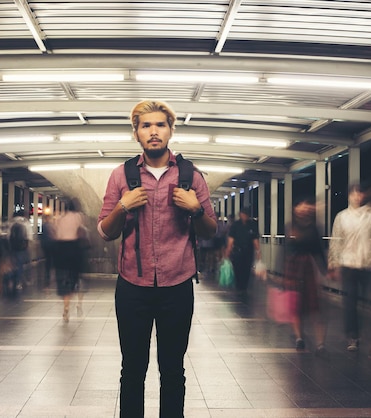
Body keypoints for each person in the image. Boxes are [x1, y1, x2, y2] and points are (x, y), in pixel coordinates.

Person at [98, 99, 217, 417]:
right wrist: (123, 206)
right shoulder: (121, 175)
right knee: (132, 370)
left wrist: (197, 209)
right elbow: (105, 231)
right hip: (132, 286)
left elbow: (210, 231)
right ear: (136, 132)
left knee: (173, 371)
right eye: (146, 125)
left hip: (177, 285)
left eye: (160, 125)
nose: (154, 131)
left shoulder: (191, 176)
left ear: (170, 130)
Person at [328, 184, 371, 361]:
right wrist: (333, 263)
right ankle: (353, 337)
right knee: (350, 303)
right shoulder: (342, 217)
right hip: (348, 266)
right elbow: (336, 241)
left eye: (359, 194)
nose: (357, 197)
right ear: (349, 196)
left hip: (367, 266)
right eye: (353, 194)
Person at [283, 199, 328, 354]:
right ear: (295, 208)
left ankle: (320, 343)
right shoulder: (291, 227)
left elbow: (318, 251)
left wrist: (325, 270)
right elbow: (285, 250)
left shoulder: (313, 228)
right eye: (300, 205)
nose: (303, 208)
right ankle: (299, 338)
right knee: (295, 306)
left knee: (314, 307)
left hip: (307, 267)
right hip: (293, 268)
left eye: (306, 205)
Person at [53, 199, 85, 322]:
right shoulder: (78, 217)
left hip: (61, 250)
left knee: (63, 279)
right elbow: (81, 232)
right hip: (74, 249)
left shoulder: (60, 218)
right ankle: (78, 303)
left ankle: (66, 308)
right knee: (76, 279)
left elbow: (57, 235)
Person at [226, 207, 261, 296]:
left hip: (248, 250)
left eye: (246, 214)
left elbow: (255, 239)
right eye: (243, 214)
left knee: (247, 268)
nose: (245, 216)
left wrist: (258, 251)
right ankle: (239, 285)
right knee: (237, 268)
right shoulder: (235, 225)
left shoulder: (252, 225)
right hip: (237, 250)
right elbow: (231, 238)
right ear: (240, 214)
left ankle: (244, 286)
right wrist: (228, 250)